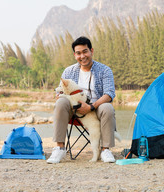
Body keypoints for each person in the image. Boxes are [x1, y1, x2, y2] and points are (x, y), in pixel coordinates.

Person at [47, 36, 116, 164]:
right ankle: (59, 148)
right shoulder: (68, 71)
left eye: (85, 51)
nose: (82, 56)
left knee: (108, 107)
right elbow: (59, 92)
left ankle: (105, 150)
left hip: (96, 108)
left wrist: (91, 107)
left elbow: (109, 94)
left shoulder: (105, 70)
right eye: (78, 53)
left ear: (91, 51)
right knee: (60, 102)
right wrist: (62, 96)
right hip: (73, 110)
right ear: (74, 55)